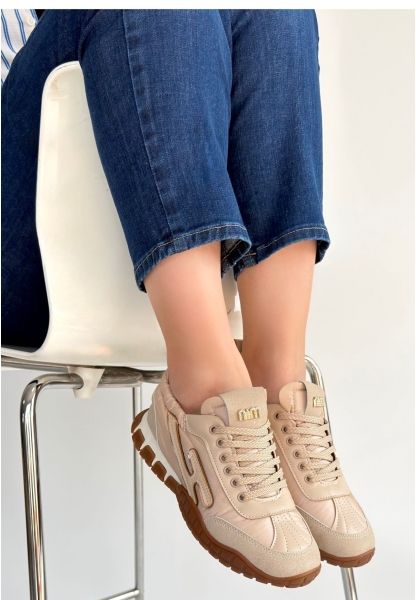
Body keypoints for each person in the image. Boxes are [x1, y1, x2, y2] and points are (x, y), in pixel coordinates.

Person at [1, 9, 374, 588]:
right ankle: (206, 388)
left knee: (277, 12)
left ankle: (277, 384)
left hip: (161, 263)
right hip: (26, 257)